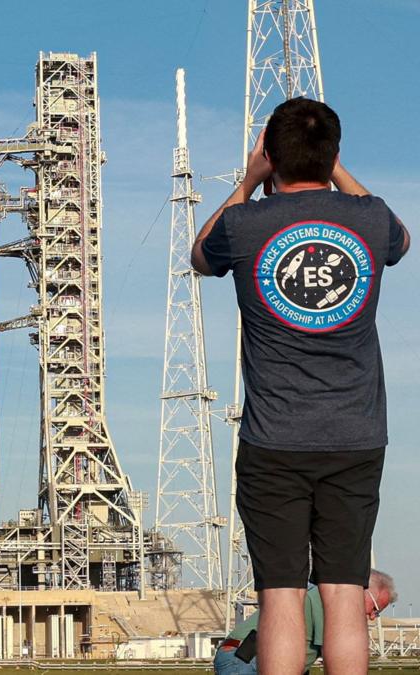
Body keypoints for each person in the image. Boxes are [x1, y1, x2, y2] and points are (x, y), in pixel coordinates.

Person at [193, 97, 410, 675]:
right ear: (333, 153)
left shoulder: (244, 223)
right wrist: (335, 169)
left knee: (281, 596)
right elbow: (401, 240)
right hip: (357, 437)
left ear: (270, 154)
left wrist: (247, 181)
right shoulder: (369, 219)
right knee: (344, 594)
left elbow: (201, 257)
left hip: (274, 440)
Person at [212, 569, 397, 674]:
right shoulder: (328, 599)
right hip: (246, 658)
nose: (372, 616)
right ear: (362, 591)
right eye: (375, 609)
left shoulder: (320, 593)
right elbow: (338, 656)